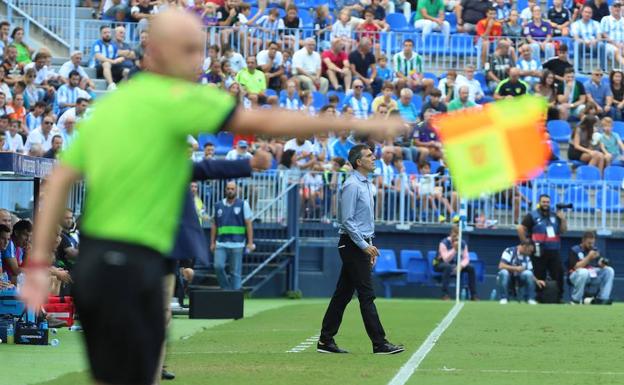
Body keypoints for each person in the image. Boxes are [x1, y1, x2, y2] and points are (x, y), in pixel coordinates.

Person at [22, 10, 406, 385]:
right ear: (154, 51)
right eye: (188, 50)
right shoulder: (172, 96)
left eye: (199, 49)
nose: (198, 60)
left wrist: (38, 264)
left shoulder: (113, 106)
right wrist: (353, 122)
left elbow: (60, 181)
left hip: (98, 265)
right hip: (130, 263)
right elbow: (263, 121)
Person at [318, 144, 404, 355]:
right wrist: (365, 246)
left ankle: (325, 340)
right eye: (369, 156)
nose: (374, 158)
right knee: (366, 294)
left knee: (343, 295)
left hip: (359, 244)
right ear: (359, 162)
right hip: (351, 244)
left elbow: (364, 221)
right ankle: (379, 343)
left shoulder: (366, 184)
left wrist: (369, 244)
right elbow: (347, 220)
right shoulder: (352, 185)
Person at [517, 194, 567, 302]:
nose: (546, 204)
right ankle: (539, 298)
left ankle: (558, 298)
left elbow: (563, 231)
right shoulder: (532, 215)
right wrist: (525, 242)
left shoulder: (555, 215)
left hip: (554, 250)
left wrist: (563, 220)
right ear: (539, 203)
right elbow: (520, 228)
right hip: (538, 250)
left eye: (548, 202)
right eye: (543, 202)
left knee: (558, 274)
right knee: (539, 274)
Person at [210, 181, 253, 290]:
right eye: (228, 188)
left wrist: (250, 242)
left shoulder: (244, 204)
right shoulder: (218, 205)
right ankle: (227, 290)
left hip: (237, 244)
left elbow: (248, 224)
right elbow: (214, 225)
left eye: (232, 189)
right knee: (218, 266)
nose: (230, 191)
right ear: (225, 190)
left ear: (236, 190)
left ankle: (235, 297)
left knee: (235, 273)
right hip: (221, 243)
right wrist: (212, 242)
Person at [568, 230, 614, 304]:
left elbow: (599, 264)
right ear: (583, 240)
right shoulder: (575, 250)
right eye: (589, 243)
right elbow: (576, 267)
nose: (591, 245)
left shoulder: (595, 250)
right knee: (583, 272)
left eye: (593, 243)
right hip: (575, 276)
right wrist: (589, 257)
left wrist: (602, 263)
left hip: (591, 275)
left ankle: (602, 298)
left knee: (609, 270)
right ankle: (575, 300)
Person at [434, 225, 478, 300]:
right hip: (440, 264)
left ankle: (473, 295)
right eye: (454, 235)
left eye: (457, 235)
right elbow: (445, 259)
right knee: (447, 267)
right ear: (451, 234)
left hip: (456, 264)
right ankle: (445, 294)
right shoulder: (443, 243)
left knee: (471, 268)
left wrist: (461, 266)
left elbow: (466, 258)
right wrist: (454, 249)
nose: (456, 238)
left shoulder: (463, 244)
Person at [91, 25, 128, 90]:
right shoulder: (97, 43)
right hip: (99, 67)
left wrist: (121, 58)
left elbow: (118, 55)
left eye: (108, 32)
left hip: (112, 66)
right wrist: (113, 61)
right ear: (101, 34)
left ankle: (120, 89)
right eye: (105, 33)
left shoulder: (113, 45)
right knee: (106, 63)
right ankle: (111, 85)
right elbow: (98, 56)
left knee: (127, 72)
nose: (107, 34)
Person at [600, 1, 624, 67]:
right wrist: (616, 44)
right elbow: (603, 34)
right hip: (608, 44)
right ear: (610, 8)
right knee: (616, 50)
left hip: (622, 45)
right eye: (615, 6)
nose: (617, 8)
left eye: (619, 6)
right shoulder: (605, 19)